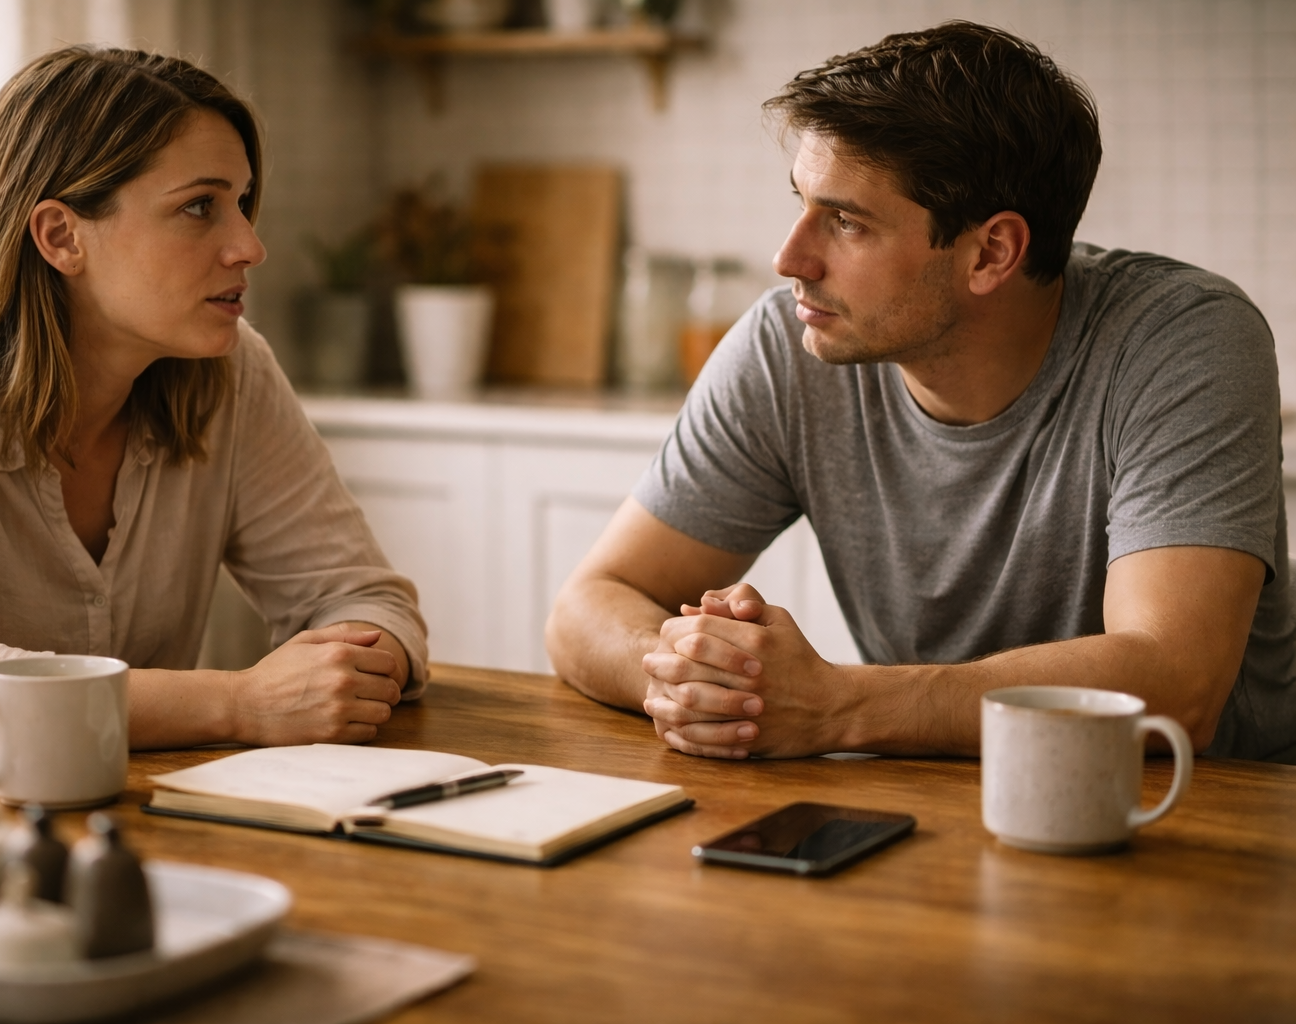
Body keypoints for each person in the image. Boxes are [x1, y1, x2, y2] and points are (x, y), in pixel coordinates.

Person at [547, 21, 1296, 762]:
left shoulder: (1183, 339)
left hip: (1197, 815)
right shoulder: (788, 346)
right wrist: (691, 680)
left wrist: (838, 707)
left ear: (992, 252)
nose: (789, 258)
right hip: (928, 800)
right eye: (802, 202)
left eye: (844, 222)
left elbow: (1175, 681)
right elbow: (587, 607)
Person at [0, 47, 427, 780]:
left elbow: (363, 595)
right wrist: (239, 702)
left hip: (95, 828)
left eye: (242, 201)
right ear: (60, 236)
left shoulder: (230, 371)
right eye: (199, 207)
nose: (250, 245)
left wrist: (347, 664)